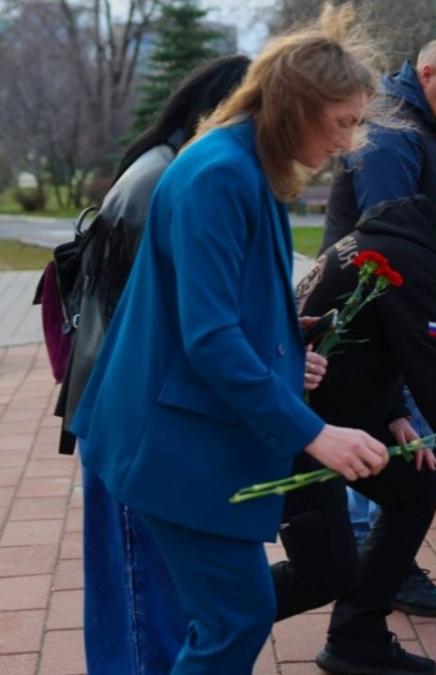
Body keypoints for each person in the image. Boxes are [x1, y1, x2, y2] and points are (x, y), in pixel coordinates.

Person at [70, 6, 390, 672]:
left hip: (187, 433)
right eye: (343, 123)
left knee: (229, 614)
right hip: (171, 440)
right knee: (234, 614)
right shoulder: (220, 173)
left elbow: (221, 310)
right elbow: (209, 337)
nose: (347, 143)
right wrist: (312, 430)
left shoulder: (246, 165)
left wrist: (280, 346)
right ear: (296, 106)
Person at [276, 187, 436, 675]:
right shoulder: (414, 261)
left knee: (416, 486)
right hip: (301, 419)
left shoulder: (402, 241)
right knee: (324, 571)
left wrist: (394, 412)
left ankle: (357, 636)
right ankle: (197, 625)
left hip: (337, 407)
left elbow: (382, 337)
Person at [57, 53, 251, 675]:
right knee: (142, 604)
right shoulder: (164, 181)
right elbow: (162, 325)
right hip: (132, 420)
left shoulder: (166, 168)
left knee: (135, 596)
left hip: (124, 412)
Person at [319, 33, 436, 616]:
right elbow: (387, 227)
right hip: (374, 308)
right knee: (390, 440)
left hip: (405, 302)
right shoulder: (393, 130)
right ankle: (377, 562)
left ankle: (379, 563)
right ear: (426, 71)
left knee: (402, 436)